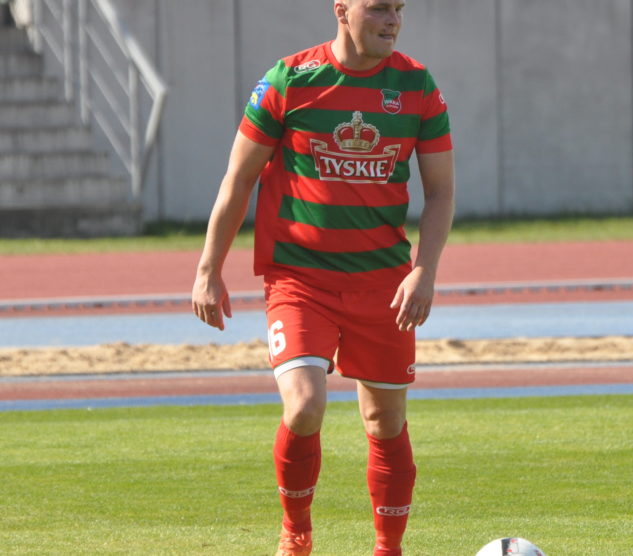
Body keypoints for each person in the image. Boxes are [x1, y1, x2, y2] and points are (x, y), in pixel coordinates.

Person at [191, 1, 455, 555]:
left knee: (384, 421)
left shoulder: (417, 86)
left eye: (399, 9)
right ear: (342, 10)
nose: (392, 20)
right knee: (304, 405)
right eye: (378, 8)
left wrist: (424, 272)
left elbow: (441, 192)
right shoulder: (289, 80)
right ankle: (296, 535)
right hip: (299, 280)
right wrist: (208, 269)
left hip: (383, 284)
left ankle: (388, 549)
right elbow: (239, 179)